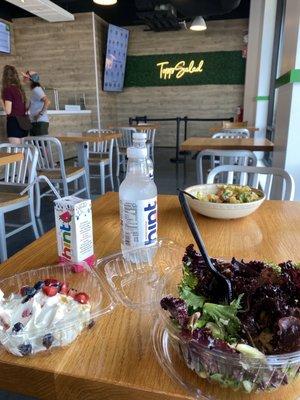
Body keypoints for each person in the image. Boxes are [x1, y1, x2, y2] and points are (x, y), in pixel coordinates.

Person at [1, 65, 28, 144]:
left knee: (17, 152)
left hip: (14, 122)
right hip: (24, 122)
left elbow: (8, 111)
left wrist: (1, 101)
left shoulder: (8, 89)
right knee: (24, 151)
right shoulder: (19, 89)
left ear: (4, 77)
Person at [22, 70, 50, 136]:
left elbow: (47, 102)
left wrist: (40, 114)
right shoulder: (34, 90)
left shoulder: (36, 89)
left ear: (30, 79)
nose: (23, 78)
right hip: (35, 123)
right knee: (36, 146)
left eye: (25, 77)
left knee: (40, 146)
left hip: (40, 123)